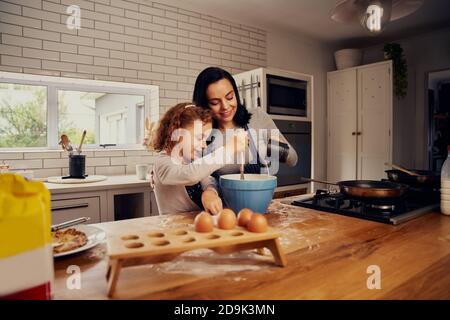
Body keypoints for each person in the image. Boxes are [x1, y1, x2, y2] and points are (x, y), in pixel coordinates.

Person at [192, 67, 298, 180]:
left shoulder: (257, 117)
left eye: (229, 97)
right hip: (220, 197)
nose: (225, 106)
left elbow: (293, 160)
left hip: (262, 196)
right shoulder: (202, 135)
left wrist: (277, 148)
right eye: (215, 102)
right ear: (204, 105)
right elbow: (197, 177)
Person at [149, 102, 245, 215]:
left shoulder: (191, 160)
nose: (204, 145)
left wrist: (209, 192)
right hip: (174, 230)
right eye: (200, 138)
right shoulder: (162, 163)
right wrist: (229, 149)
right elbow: (190, 175)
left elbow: (208, 180)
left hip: (196, 228)